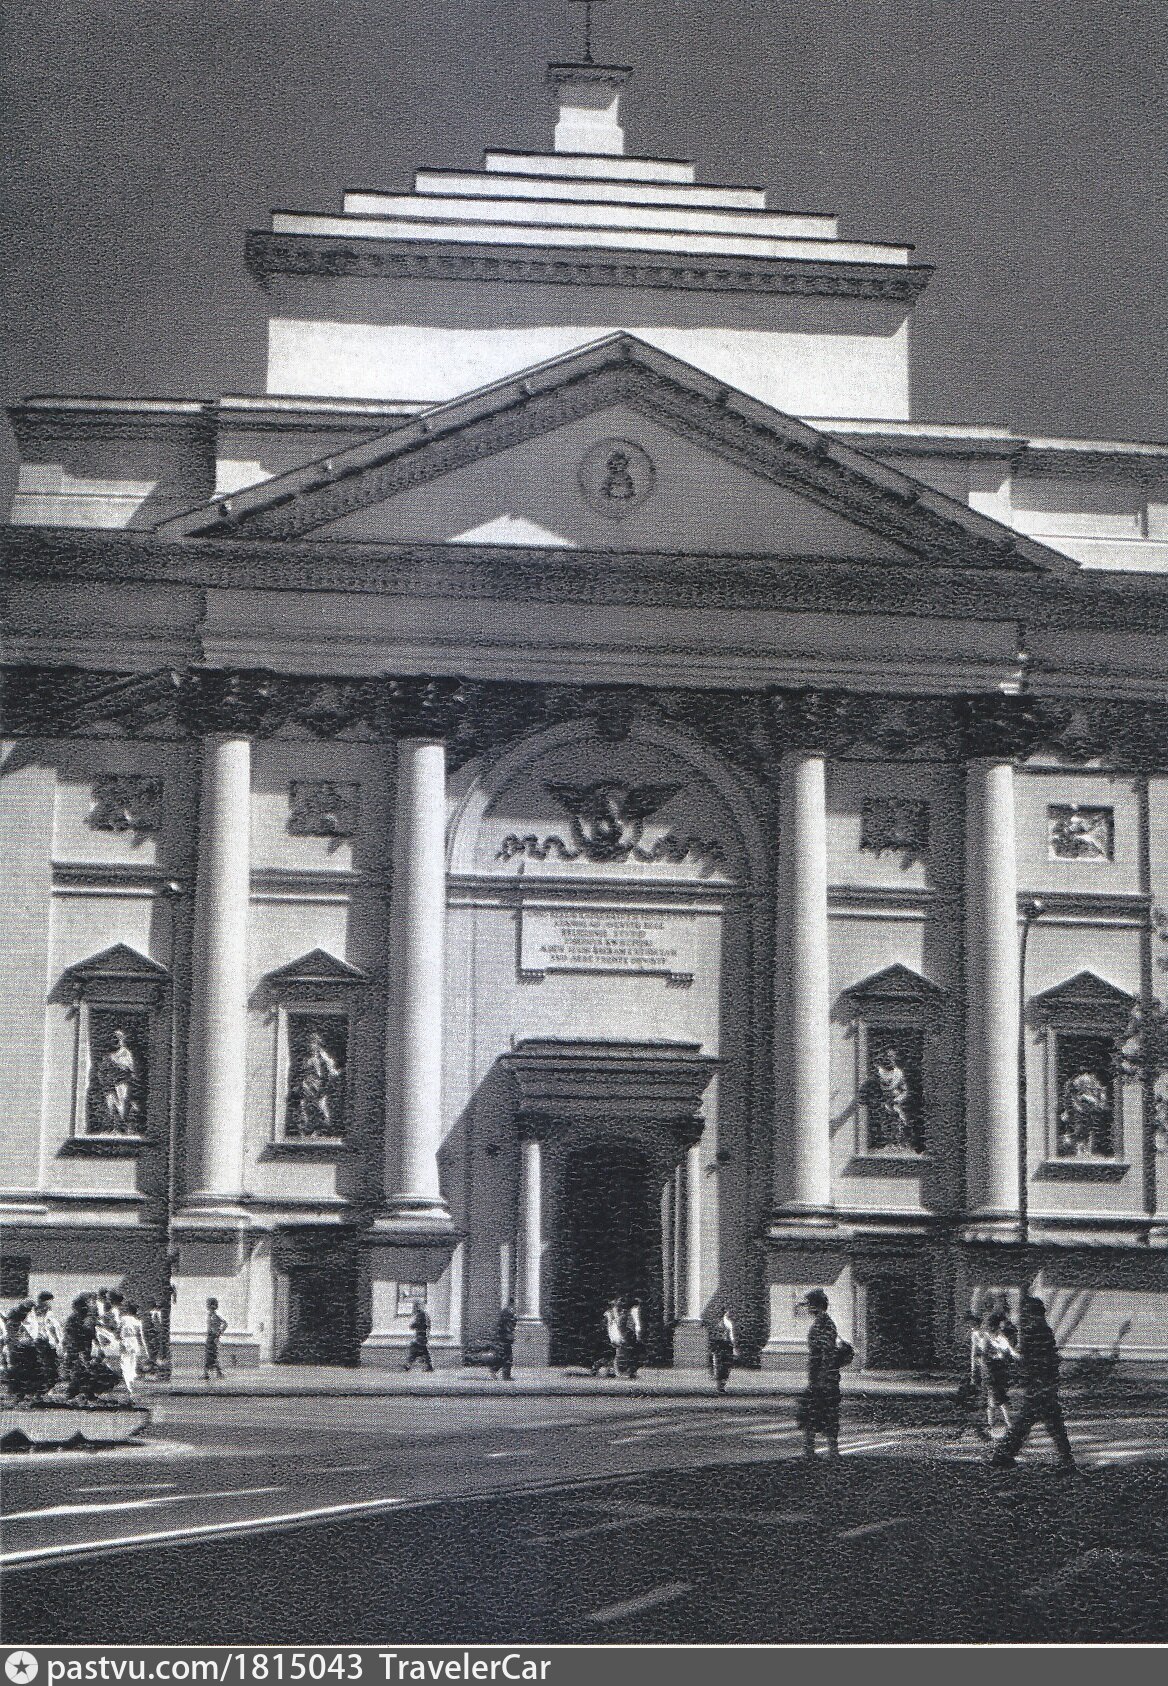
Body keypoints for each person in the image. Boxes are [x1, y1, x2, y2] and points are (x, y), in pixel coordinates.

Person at [991, 1296, 1077, 1472]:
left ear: (1030, 1313)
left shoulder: (1032, 1331)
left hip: (1036, 1384)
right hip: (1046, 1384)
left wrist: (1009, 1348)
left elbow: (1024, 1357)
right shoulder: (1046, 1330)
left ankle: (1003, 1456)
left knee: (1024, 1423)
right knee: (1052, 1424)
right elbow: (1050, 1358)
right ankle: (1066, 1460)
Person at [797, 1288, 843, 1462]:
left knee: (822, 1412)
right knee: (816, 1412)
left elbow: (826, 1351)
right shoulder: (822, 1322)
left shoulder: (824, 1323)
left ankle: (828, 1451)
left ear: (816, 1305)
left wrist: (823, 1377)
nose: (808, 1308)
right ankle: (814, 1451)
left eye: (810, 1304)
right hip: (820, 1376)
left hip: (823, 1377)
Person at [28, 1291, 64, 1396]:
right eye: (48, 1302)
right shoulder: (32, 1313)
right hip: (38, 1342)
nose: (50, 1304)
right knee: (40, 1365)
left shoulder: (49, 1313)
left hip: (48, 1343)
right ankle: (40, 1389)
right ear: (42, 1301)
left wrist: (58, 1341)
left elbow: (55, 1328)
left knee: (51, 1365)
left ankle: (49, 1388)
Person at [118, 1302, 145, 1401]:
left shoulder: (123, 1319)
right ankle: (131, 1383)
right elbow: (140, 1336)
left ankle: (128, 1384)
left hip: (125, 1340)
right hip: (134, 1342)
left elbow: (118, 1330)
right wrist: (143, 1347)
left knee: (125, 1363)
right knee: (132, 1363)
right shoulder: (138, 1322)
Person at [710, 1307, 738, 1393]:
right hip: (724, 1345)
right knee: (723, 1365)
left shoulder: (719, 1323)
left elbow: (714, 1335)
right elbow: (731, 1337)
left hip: (721, 1345)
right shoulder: (726, 1323)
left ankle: (720, 1384)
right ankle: (721, 1385)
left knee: (721, 1365)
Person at [592, 1299, 622, 1378]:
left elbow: (617, 1326)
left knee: (612, 1355)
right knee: (610, 1354)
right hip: (608, 1336)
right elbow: (603, 1325)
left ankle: (608, 1369)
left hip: (614, 1336)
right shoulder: (607, 1314)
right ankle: (597, 1367)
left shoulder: (616, 1314)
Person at [490, 1301, 518, 1381]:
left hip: (505, 1339)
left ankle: (503, 1374)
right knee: (506, 1357)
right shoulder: (507, 1316)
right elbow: (510, 1326)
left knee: (507, 1357)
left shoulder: (505, 1316)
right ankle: (499, 1372)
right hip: (504, 1339)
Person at [404, 1300, 433, 1372]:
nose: (413, 1308)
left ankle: (408, 1365)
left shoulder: (421, 1315)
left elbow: (418, 1324)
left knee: (414, 1350)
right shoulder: (424, 1314)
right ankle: (429, 1366)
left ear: (417, 1307)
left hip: (421, 1335)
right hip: (423, 1336)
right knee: (423, 1351)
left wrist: (412, 1325)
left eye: (415, 1306)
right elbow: (428, 1325)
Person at [203, 1297, 226, 1381]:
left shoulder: (215, 1316)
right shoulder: (210, 1315)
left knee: (211, 1355)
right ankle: (213, 1373)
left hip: (213, 1337)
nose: (207, 1306)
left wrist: (218, 1334)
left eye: (208, 1304)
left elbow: (225, 1324)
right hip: (210, 1337)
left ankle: (209, 1373)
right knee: (209, 1355)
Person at [622, 1297, 645, 1379]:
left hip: (629, 1332)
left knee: (631, 1352)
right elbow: (637, 1323)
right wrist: (638, 1335)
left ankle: (630, 1370)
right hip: (633, 1333)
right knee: (635, 1353)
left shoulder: (629, 1312)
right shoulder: (635, 1310)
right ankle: (632, 1371)